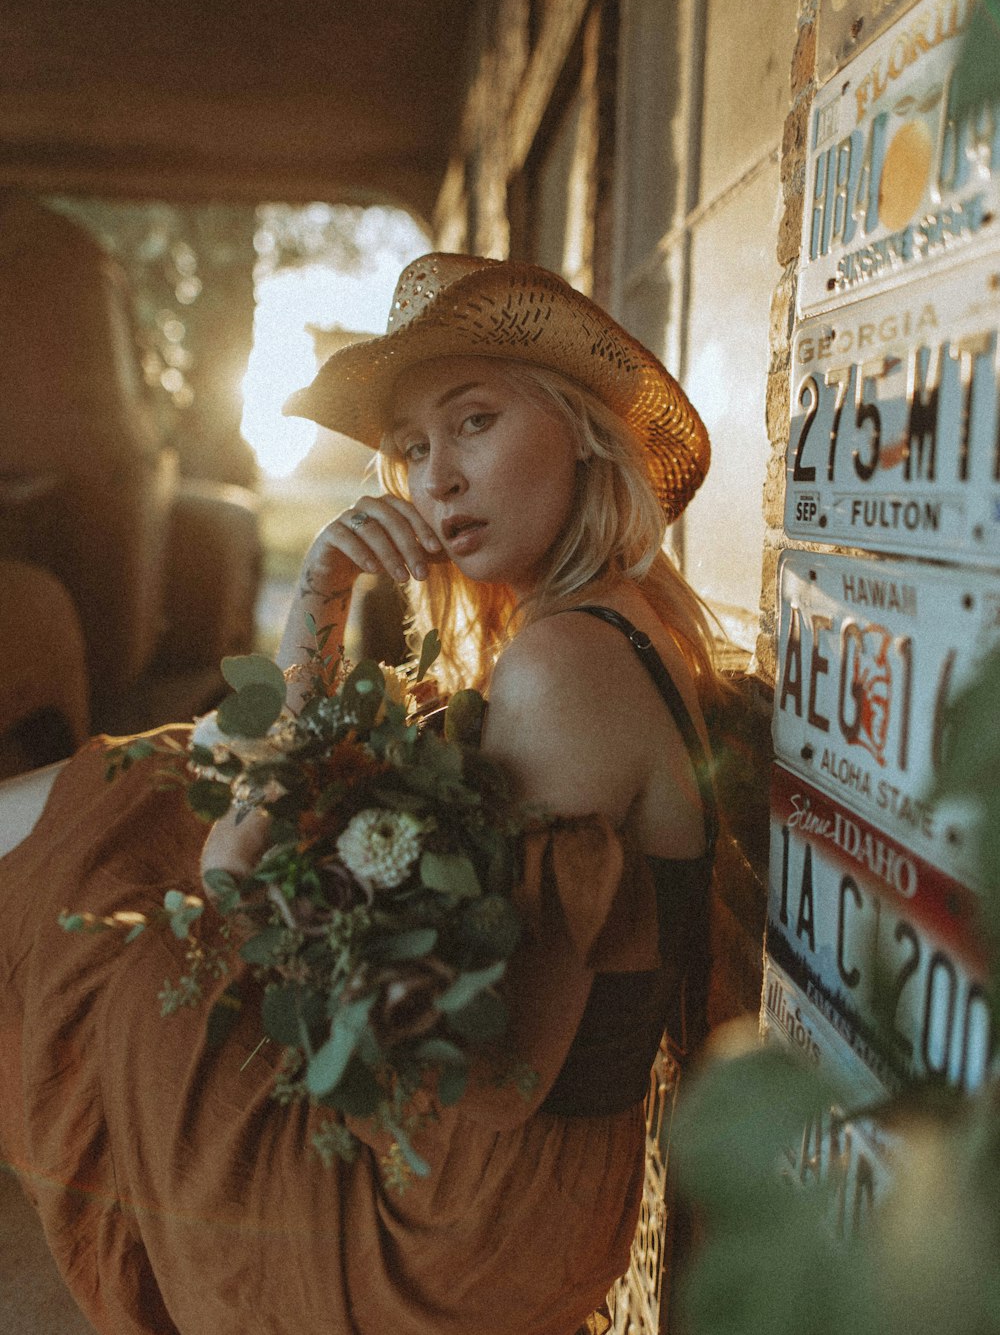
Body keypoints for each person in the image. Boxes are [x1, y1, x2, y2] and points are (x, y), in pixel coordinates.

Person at [0, 253, 724, 1335]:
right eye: (411, 448)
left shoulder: (564, 665)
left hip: (462, 1219)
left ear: (579, 426)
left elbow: (252, 899)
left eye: (473, 422)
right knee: (146, 791)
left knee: (114, 905)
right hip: (529, 1193)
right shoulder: (594, 629)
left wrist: (314, 613)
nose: (436, 478)